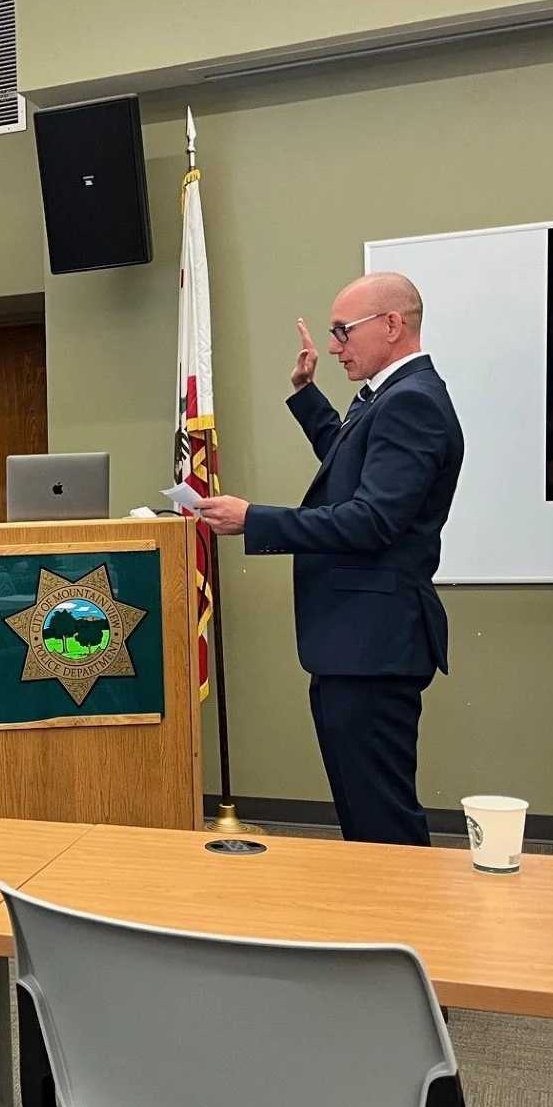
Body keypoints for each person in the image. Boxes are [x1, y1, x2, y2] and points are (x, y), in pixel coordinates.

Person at [195, 273, 463, 847]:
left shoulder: (412, 401)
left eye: (343, 332)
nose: (336, 346)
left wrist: (255, 519)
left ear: (392, 326)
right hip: (355, 642)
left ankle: (405, 930)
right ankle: (381, 926)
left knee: (380, 815)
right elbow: (348, 468)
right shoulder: (388, 398)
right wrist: (306, 394)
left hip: (374, 643)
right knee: (362, 810)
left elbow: (372, 520)